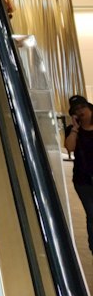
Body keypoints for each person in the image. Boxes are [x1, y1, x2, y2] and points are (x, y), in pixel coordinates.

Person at [65, 95, 93, 253]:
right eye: (76, 110)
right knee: (92, 213)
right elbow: (69, 148)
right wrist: (75, 128)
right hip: (83, 181)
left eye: (82, 107)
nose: (81, 112)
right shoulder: (73, 130)